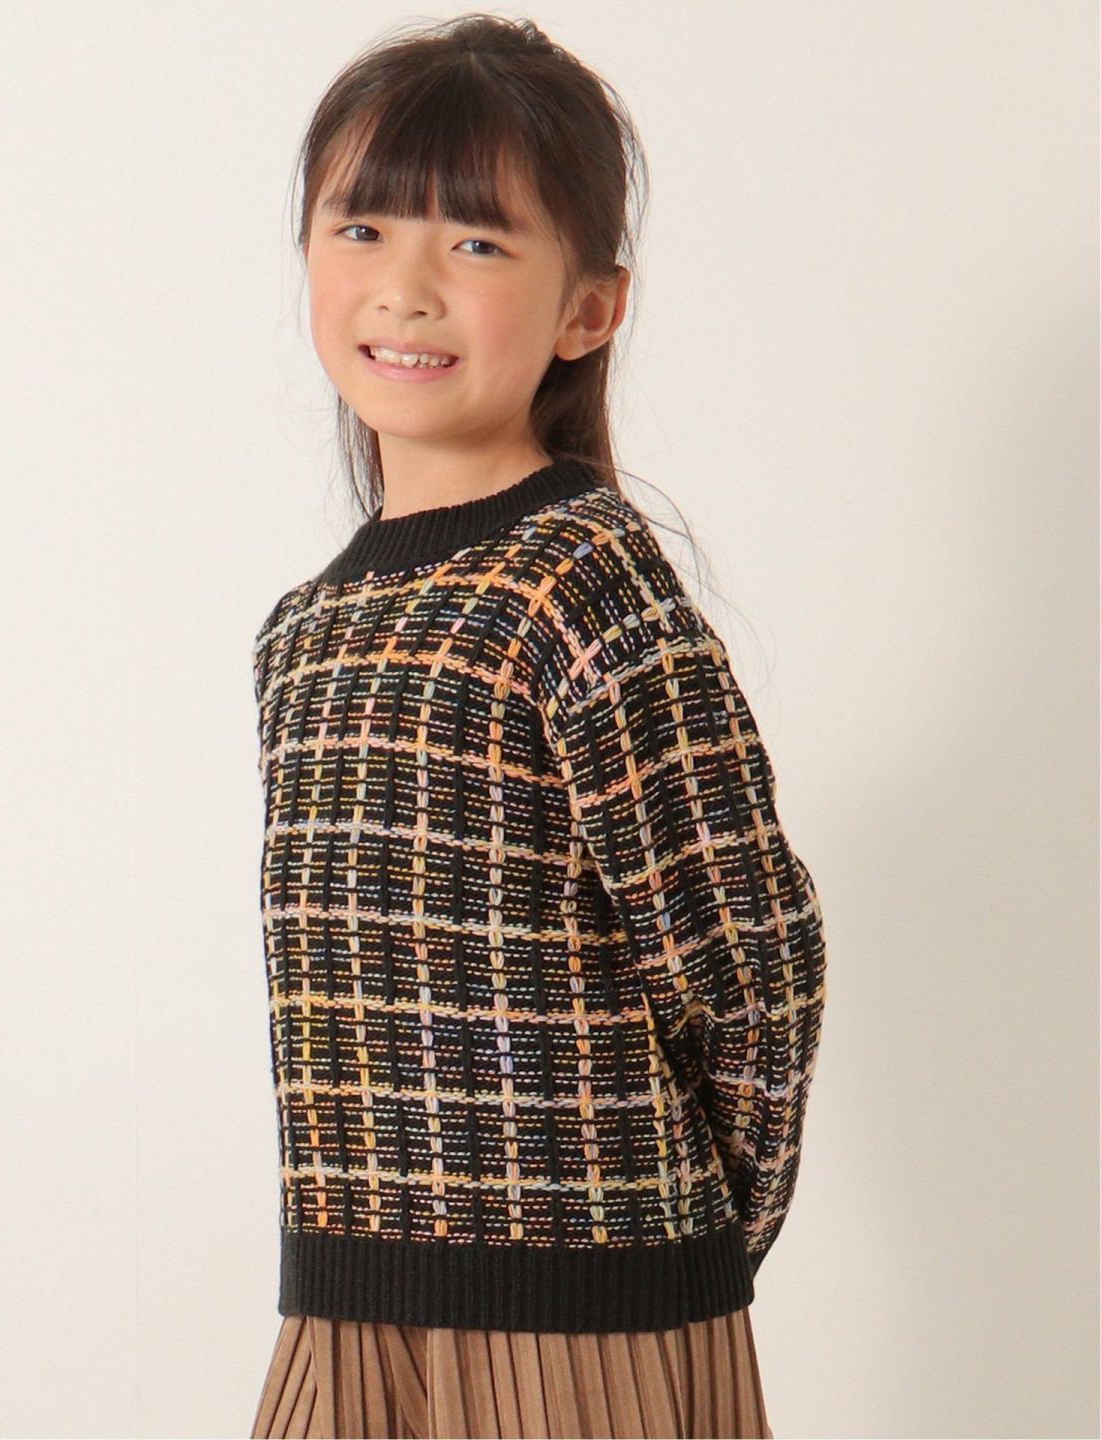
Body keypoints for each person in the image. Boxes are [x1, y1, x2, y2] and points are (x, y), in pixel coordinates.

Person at [249, 14, 826, 1438]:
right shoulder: (303, 632)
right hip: (350, 1305)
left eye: (478, 243)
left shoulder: (582, 585)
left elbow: (753, 962)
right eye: (362, 227)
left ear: (590, 311)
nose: (407, 288)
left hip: (593, 1329)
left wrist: (680, 1251)